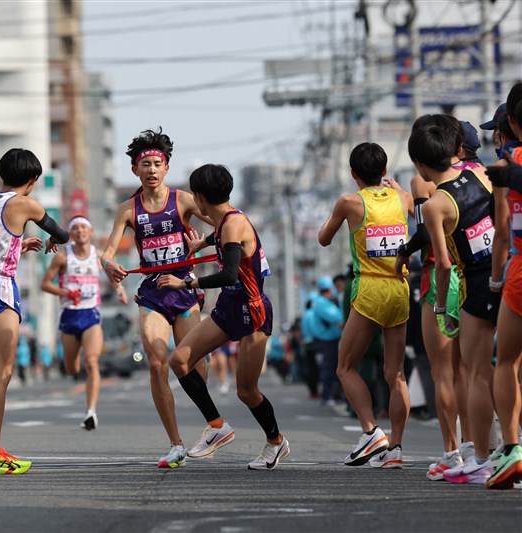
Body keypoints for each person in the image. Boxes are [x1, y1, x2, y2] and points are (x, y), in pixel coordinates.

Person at [157, 163, 289, 470]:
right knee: (179, 361)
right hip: (229, 307)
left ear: (200, 198)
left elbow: (229, 274)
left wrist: (185, 282)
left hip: (252, 310)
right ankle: (217, 426)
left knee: (247, 390)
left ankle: (276, 441)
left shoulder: (233, 224)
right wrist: (199, 243)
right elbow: (223, 242)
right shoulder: (225, 222)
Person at [101, 127, 213, 468]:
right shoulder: (127, 209)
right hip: (151, 292)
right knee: (155, 361)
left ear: (166, 168)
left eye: (156, 164)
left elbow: (223, 221)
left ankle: (211, 424)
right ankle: (175, 443)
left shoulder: (184, 200)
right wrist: (110, 266)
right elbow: (107, 252)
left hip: (182, 288)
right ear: (135, 170)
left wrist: (203, 244)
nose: (151, 170)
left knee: (193, 363)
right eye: (144, 164)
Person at [0, 148, 69, 475]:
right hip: (0, 288)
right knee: (3, 373)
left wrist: (16, 245)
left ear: (1, 175)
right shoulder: (25, 202)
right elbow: (61, 233)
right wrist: (51, 240)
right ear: (32, 179)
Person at [409, 121, 498, 484]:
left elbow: (443, 263)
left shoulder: (433, 205)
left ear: (419, 163)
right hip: (505, 271)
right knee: (508, 367)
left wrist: (444, 308)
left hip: (473, 284)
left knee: (475, 374)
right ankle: (510, 446)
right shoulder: (485, 175)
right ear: (458, 150)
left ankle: (479, 456)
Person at [318, 142, 413, 468]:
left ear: (353, 174)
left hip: (370, 290)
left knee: (345, 367)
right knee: (395, 373)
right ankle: (396, 449)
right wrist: (399, 188)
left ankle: (371, 430)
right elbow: (416, 210)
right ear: (384, 171)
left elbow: (323, 238)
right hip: (400, 288)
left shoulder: (348, 202)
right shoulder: (404, 199)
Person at [395, 114, 475, 480]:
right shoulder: (482, 177)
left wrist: (404, 251)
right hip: (475, 277)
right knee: (471, 372)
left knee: (443, 373)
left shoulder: (424, 183)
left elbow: (428, 236)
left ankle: (452, 452)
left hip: (439, 278)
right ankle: (478, 450)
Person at [40, 215, 127, 430]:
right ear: (71, 233)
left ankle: (91, 412)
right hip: (69, 315)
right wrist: (66, 292)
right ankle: (74, 366)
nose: (80, 231)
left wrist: (120, 289)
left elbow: (112, 274)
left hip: (91, 314)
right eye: (75, 228)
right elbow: (44, 284)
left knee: (91, 362)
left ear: (91, 232)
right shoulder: (62, 257)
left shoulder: (98, 257)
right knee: (71, 369)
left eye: (83, 227)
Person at [484, 83, 522, 489]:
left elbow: (503, 236)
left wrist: (495, 284)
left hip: (519, 272)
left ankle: (512, 447)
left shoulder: (507, 164)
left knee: (507, 362)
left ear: (511, 123)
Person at [310, 277, 343, 406]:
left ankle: (330, 395)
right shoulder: (322, 303)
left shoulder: (323, 301)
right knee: (329, 368)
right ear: (329, 289)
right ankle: (327, 395)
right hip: (327, 340)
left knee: (331, 368)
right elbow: (337, 317)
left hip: (329, 339)